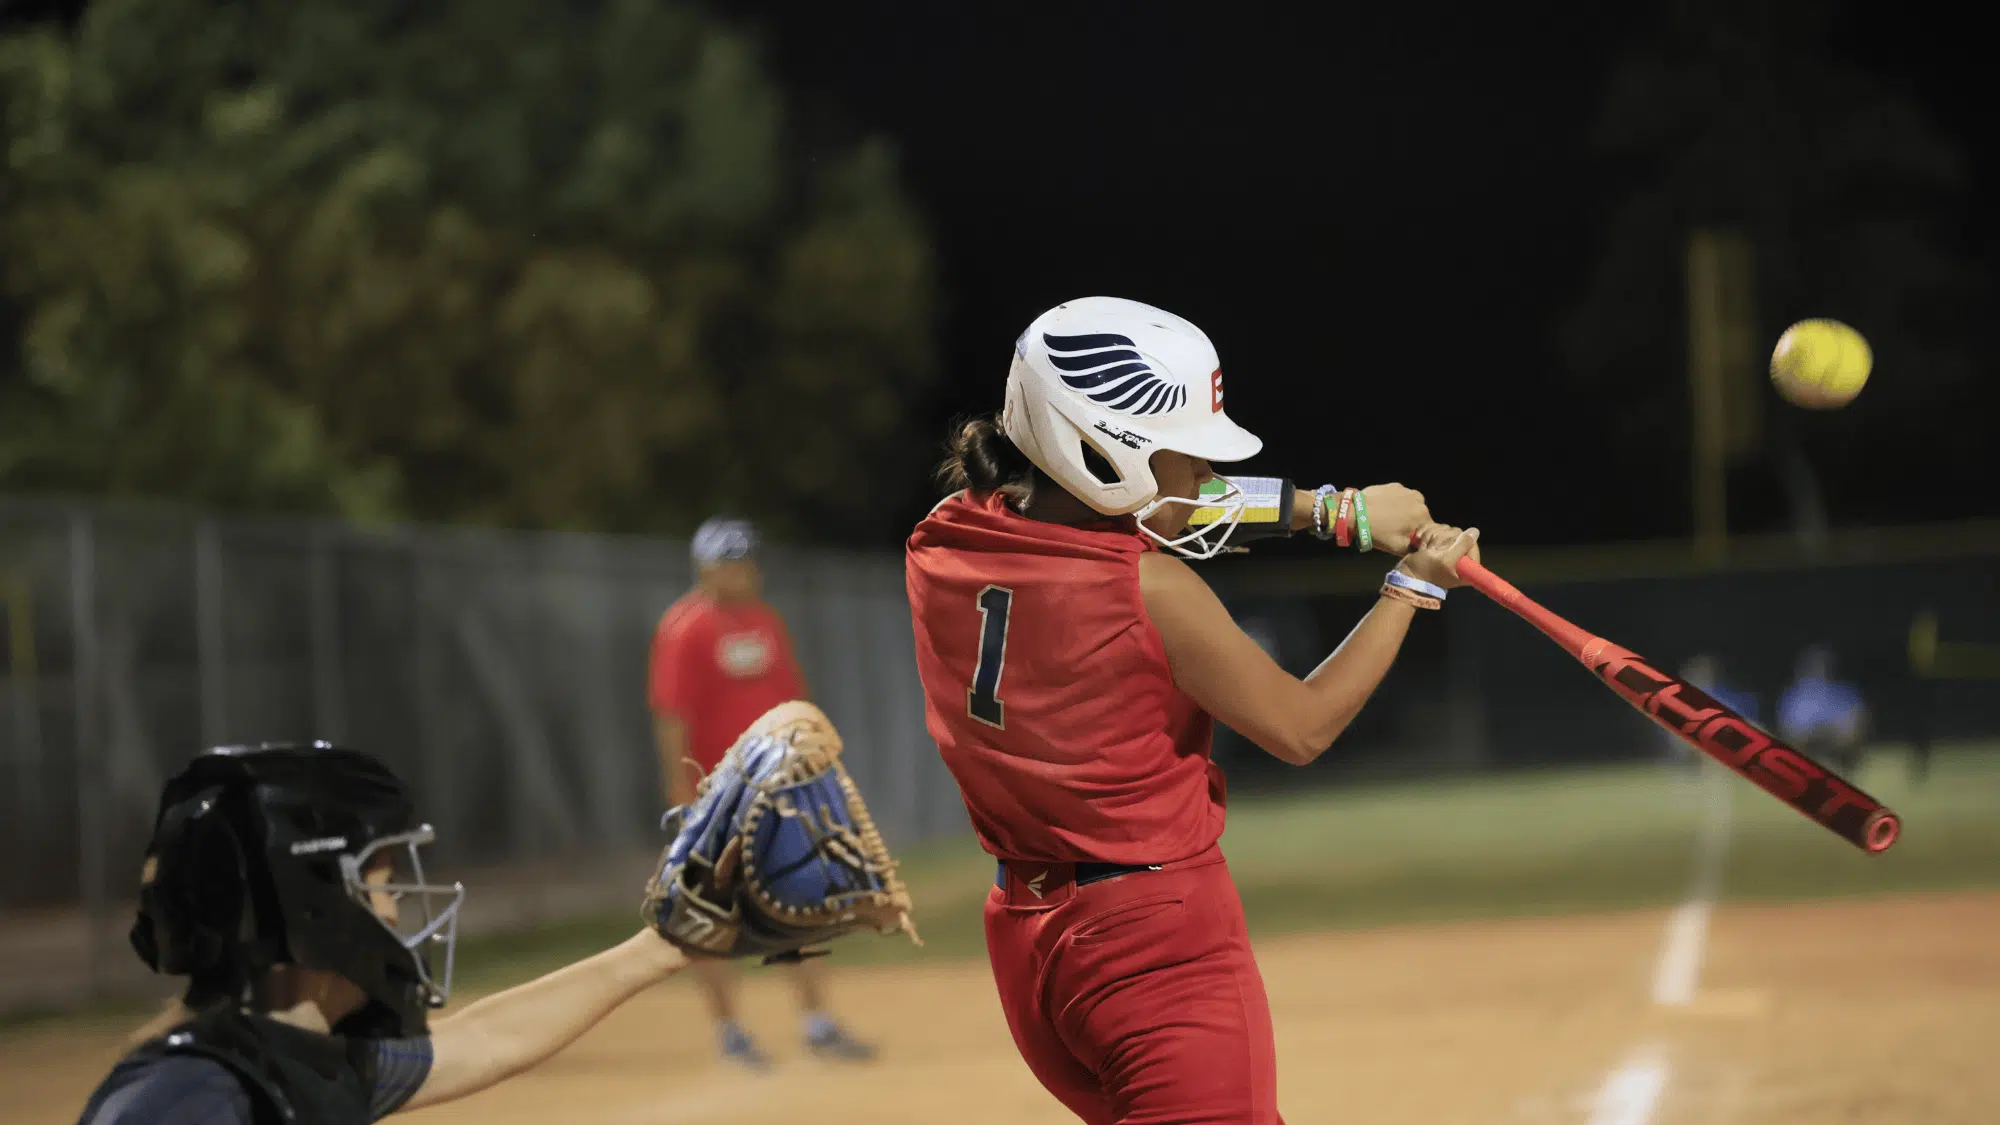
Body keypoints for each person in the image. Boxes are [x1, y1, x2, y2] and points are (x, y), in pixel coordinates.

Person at [905, 295, 1476, 1124]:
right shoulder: (1149, 590)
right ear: (1100, 452)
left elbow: (1158, 506)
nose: (1209, 476)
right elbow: (1300, 725)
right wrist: (1412, 586)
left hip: (1029, 947)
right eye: (1189, 453)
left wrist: (1337, 511)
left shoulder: (943, 540)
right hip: (1154, 945)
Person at [78, 741, 695, 1125]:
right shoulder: (186, 1104)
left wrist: (662, 948)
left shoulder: (293, 1067)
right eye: (381, 884)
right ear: (312, 906)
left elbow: (485, 1041)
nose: (395, 912)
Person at [647, 516, 875, 1067]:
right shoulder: (685, 627)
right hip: (715, 792)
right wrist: (682, 794)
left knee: (800, 898)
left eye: (747, 560)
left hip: (778, 786)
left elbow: (789, 697)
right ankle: (731, 1032)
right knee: (710, 911)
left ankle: (817, 1022)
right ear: (706, 568)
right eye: (730, 562)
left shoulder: (764, 621)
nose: (743, 571)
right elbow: (671, 717)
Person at [1777, 645, 1870, 777]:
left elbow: (1856, 723)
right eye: (1816, 665)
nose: (1821, 669)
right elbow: (1790, 729)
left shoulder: (1846, 693)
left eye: (1824, 665)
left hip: (1838, 743)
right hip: (1809, 743)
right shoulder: (1795, 696)